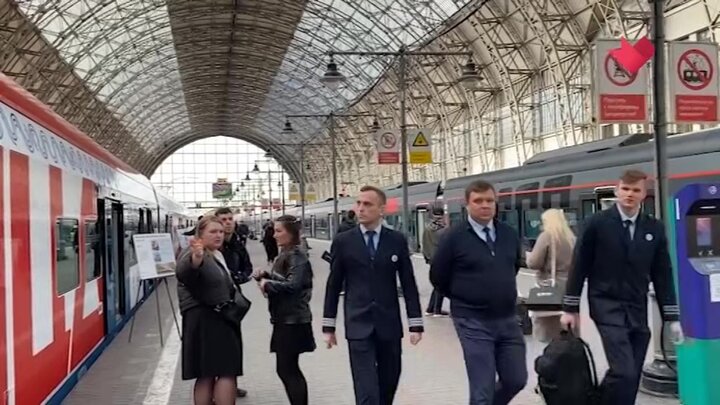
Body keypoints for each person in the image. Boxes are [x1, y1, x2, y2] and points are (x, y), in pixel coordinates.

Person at [561, 169, 682, 405]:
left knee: (632, 374)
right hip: (606, 305)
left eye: (635, 190)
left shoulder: (654, 228)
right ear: (617, 191)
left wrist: (672, 316)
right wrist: (570, 308)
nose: (629, 194)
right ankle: (595, 401)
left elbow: (662, 273)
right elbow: (579, 265)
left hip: (637, 307)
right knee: (624, 370)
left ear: (643, 194)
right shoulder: (597, 224)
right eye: (625, 189)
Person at [322, 185, 424, 405]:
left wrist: (415, 323)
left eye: (367, 204)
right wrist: (328, 326)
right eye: (358, 203)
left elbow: (408, 283)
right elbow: (333, 284)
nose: (360, 209)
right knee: (367, 390)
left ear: (381, 209)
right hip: (358, 324)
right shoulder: (343, 241)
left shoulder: (396, 240)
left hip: (389, 324)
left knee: (388, 383)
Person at [430, 179, 527, 405]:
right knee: (482, 388)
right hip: (472, 320)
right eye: (478, 201)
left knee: (516, 379)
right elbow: (438, 277)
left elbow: (513, 266)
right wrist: (464, 296)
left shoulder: (508, 234)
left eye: (489, 200)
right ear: (467, 205)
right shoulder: (453, 238)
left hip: (507, 319)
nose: (485, 205)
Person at [176, 216, 242, 405]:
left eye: (220, 231)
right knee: (226, 371)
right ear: (200, 234)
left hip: (213, 319)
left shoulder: (215, 253)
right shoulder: (194, 253)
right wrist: (196, 258)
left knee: (206, 373)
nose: (219, 235)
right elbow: (185, 272)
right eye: (213, 232)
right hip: (210, 319)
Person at [257, 215, 316, 405]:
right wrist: (267, 275)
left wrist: (268, 284)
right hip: (287, 318)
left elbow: (293, 286)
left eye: (278, 231)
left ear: (290, 233)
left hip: (293, 321)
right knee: (287, 368)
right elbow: (288, 280)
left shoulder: (296, 256)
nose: (274, 235)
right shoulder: (288, 254)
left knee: (287, 369)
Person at [215, 208, 253, 398]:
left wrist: (239, 277)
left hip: (234, 302)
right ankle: (218, 386)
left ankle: (231, 384)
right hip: (216, 303)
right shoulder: (214, 246)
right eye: (223, 219)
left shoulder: (238, 244)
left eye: (230, 219)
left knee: (234, 344)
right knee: (217, 346)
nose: (228, 222)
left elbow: (247, 267)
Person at [525, 208, 576, 342]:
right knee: (567, 326)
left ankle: (553, 351)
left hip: (551, 288)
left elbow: (534, 263)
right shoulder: (571, 238)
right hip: (570, 287)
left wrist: (528, 257)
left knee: (549, 328)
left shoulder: (547, 236)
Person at [422, 202, 449, 317]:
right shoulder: (442, 230)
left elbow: (424, 245)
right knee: (441, 284)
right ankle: (437, 310)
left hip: (432, 259)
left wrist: (427, 257)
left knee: (437, 284)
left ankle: (430, 308)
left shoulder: (427, 228)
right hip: (440, 259)